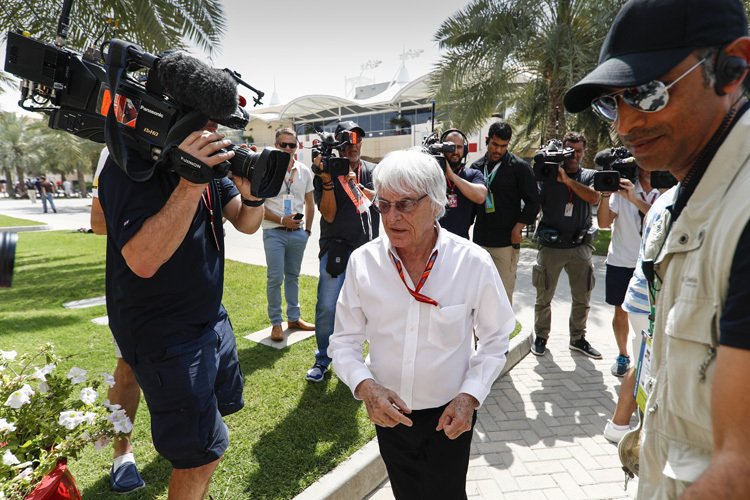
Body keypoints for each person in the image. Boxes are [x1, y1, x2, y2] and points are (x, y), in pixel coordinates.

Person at [564, 0, 750, 497]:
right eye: (612, 103)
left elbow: (741, 466)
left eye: (646, 94)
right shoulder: (675, 205)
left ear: (732, 68)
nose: (625, 125)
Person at [329, 149, 514, 500]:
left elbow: (496, 337)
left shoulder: (472, 262)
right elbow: (344, 342)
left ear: (436, 202)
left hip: (449, 415)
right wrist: (367, 388)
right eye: (383, 205)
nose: (392, 217)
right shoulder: (363, 263)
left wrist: (469, 397)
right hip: (389, 414)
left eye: (406, 204)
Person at [98, 120, 264, 500]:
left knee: (211, 433)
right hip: (163, 332)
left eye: (216, 124)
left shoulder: (211, 164)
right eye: (205, 122)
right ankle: (123, 455)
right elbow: (142, 260)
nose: (213, 132)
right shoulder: (130, 161)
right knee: (199, 455)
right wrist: (190, 183)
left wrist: (255, 195)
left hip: (208, 317)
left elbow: (246, 221)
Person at [90, 147, 145, 493]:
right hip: (134, 282)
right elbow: (97, 222)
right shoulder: (115, 148)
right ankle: (122, 452)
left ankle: (192, 445)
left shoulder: (202, 143)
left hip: (190, 285)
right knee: (127, 367)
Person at [603, 185, 677, 443]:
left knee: (643, 363)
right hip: (651, 301)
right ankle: (641, 432)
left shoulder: (667, 200)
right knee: (651, 367)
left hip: (643, 299)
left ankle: (620, 425)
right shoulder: (676, 203)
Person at [307, 120, 379, 382]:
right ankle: (323, 359)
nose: (353, 145)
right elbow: (328, 214)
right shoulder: (325, 172)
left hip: (368, 250)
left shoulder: (372, 171)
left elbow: (382, 204)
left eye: (357, 139)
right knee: (327, 307)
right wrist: (327, 181)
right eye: (347, 141)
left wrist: (356, 185)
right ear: (337, 145)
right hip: (335, 250)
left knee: (368, 309)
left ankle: (359, 361)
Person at [531, 132, 601, 358]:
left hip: (579, 247)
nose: (574, 156)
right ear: (563, 149)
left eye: (578, 151)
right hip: (551, 247)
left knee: (582, 298)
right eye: (570, 150)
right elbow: (535, 205)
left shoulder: (589, 175)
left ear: (584, 152)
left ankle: (578, 339)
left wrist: (567, 181)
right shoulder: (548, 175)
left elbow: (594, 198)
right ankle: (541, 337)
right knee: (544, 297)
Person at [596, 167, 659, 376]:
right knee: (620, 312)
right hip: (621, 261)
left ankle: (653, 358)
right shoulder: (621, 190)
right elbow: (603, 223)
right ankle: (623, 355)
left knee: (655, 314)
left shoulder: (666, 190)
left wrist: (633, 199)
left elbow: (660, 216)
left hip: (654, 264)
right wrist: (606, 194)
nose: (650, 168)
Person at [471, 121, 539, 304]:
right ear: (487, 141)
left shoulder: (519, 167)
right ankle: (479, 334)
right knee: (478, 295)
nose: (498, 150)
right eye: (495, 144)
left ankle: (503, 333)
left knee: (502, 295)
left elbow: (534, 201)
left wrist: (519, 227)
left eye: (503, 146)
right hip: (479, 242)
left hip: (505, 244)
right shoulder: (476, 168)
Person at [262, 127, 315, 341]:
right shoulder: (266, 169)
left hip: (298, 234)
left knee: (293, 277)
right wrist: (282, 220)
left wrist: (308, 231)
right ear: (276, 145)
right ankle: (276, 323)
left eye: (291, 145)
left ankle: (294, 318)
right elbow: (258, 206)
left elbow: (311, 203)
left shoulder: (303, 171)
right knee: (275, 278)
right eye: (283, 144)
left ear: (297, 146)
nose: (287, 148)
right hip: (274, 231)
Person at [437, 129, 487, 239]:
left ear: (465, 150)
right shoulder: (433, 176)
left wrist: (451, 176)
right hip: (435, 242)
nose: (455, 151)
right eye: (450, 147)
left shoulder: (473, 174)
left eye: (459, 147)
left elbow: (481, 196)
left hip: (462, 242)